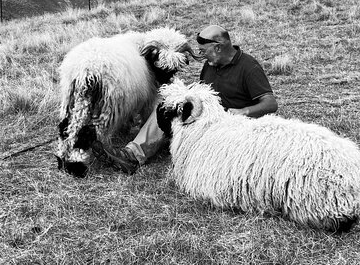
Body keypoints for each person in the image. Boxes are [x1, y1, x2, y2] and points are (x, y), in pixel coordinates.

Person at [91, 24, 278, 174]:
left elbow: (270, 103)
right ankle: (132, 155)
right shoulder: (211, 65)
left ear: (219, 47)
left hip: (232, 124)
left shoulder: (249, 67)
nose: (201, 55)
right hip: (207, 117)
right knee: (166, 108)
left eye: (204, 50)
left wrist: (243, 111)